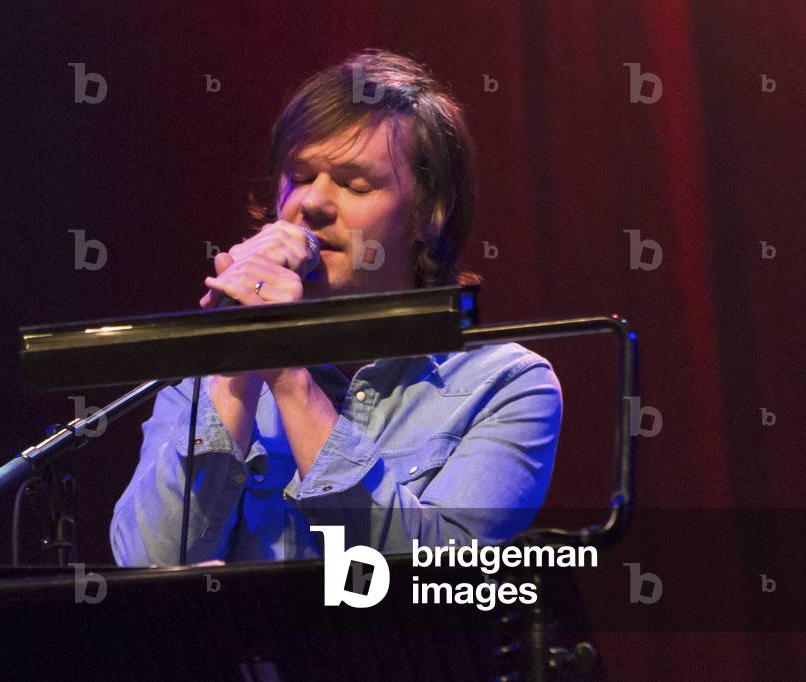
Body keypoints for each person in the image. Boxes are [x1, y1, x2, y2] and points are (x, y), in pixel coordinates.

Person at [111, 50, 562, 567]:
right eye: (300, 176)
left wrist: (287, 372)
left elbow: (428, 583)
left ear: (429, 215)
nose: (314, 203)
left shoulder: (506, 383)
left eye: (354, 184)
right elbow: (149, 566)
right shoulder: (206, 381)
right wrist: (238, 365)